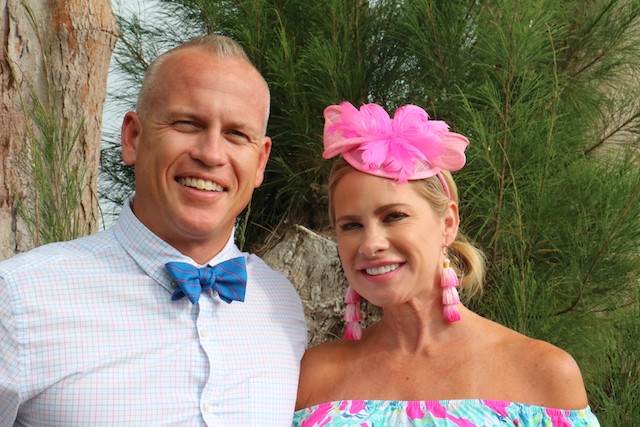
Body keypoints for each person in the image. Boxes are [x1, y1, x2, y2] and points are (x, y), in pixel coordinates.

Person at [0, 34, 307, 426]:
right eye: (187, 123)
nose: (211, 154)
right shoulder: (19, 300)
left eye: (236, 134)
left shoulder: (280, 303)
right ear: (133, 137)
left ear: (260, 161)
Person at [293, 101, 600, 426]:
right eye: (351, 225)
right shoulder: (314, 378)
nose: (370, 244)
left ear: (448, 224)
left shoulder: (543, 374)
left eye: (394, 216)